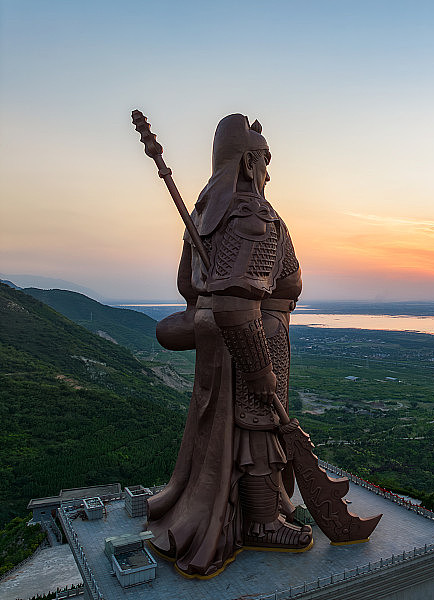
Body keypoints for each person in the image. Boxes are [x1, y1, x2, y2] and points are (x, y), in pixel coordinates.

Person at [147, 113, 311, 579]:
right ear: (247, 162)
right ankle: (260, 521)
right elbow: (237, 303)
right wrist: (258, 366)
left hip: (216, 345)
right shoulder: (253, 216)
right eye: (263, 162)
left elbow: (190, 285)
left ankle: (254, 511)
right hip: (251, 338)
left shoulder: (205, 217)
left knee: (224, 429)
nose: (267, 173)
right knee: (257, 426)